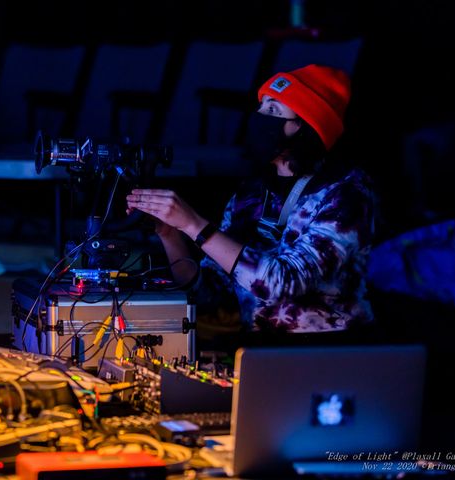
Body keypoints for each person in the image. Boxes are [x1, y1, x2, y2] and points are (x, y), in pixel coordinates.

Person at [126, 64, 375, 345]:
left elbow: (283, 282)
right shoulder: (251, 194)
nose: (259, 117)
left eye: (273, 110)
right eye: (261, 107)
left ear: (305, 126)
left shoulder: (345, 195)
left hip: (328, 351)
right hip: (259, 349)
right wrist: (170, 233)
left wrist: (194, 225)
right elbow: (209, 292)